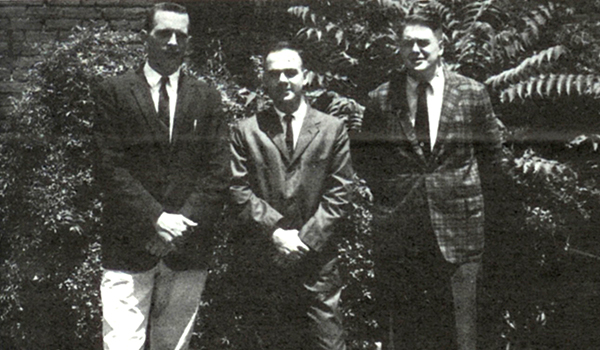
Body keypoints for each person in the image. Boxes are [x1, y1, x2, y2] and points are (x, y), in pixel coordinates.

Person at [351, 12, 505, 350]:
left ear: (441, 46)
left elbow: (492, 162)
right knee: (404, 331)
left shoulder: (472, 93)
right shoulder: (380, 98)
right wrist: (393, 203)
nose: (416, 50)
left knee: (462, 333)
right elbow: (368, 162)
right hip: (401, 235)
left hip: (459, 233)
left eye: (424, 43)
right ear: (399, 48)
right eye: (408, 43)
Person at [94, 3, 226, 350]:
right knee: (122, 344)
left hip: (187, 250)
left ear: (188, 41)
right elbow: (109, 168)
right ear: (145, 37)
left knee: (173, 346)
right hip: (127, 247)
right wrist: (156, 219)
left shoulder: (207, 99)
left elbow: (217, 172)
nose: (172, 42)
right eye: (163, 33)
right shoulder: (115, 92)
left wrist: (177, 227)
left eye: (180, 35)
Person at [229, 41, 353, 350]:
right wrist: (276, 233)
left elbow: (340, 192)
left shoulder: (332, 129)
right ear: (264, 80)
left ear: (306, 77)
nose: (283, 80)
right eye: (274, 74)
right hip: (264, 263)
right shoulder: (245, 131)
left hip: (318, 267)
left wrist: (305, 241)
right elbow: (236, 189)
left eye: (291, 72)